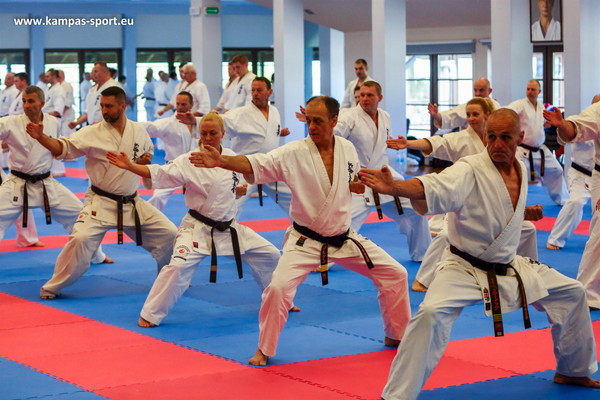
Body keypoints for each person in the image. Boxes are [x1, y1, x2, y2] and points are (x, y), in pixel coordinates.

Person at [360, 108, 600, 400]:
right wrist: (394, 186)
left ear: (520, 138)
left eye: (505, 138)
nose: (497, 144)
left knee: (572, 293)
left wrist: (525, 213)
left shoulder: (519, 167)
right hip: (463, 267)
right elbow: (433, 185)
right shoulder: (470, 168)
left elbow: (495, 206)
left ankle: (573, 370)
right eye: (492, 137)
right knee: (430, 314)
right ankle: (396, 395)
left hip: (507, 264)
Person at [190, 95, 411, 366]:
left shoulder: (347, 148)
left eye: (318, 121)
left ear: (334, 121)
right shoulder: (293, 153)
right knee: (277, 289)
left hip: (343, 237)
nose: (312, 126)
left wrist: (355, 185)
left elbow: (351, 179)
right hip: (305, 241)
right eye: (309, 120)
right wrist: (223, 161)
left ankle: (396, 334)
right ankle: (264, 348)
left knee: (396, 274)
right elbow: (256, 163)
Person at [107, 112, 281, 327]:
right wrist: (130, 166)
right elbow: (160, 172)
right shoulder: (190, 160)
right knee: (177, 267)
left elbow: (226, 187)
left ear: (223, 134)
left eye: (213, 133)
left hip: (229, 229)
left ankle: (278, 301)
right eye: (204, 133)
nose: (207, 138)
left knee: (270, 254)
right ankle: (150, 314)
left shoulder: (230, 157)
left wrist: (236, 191)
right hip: (197, 229)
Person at [27, 86, 177, 299]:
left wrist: (144, 162)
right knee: (80, 239)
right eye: (102, 106)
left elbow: (147, 155)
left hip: (131, 202)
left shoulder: (138, 130)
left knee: (170, 234)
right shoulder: (92, 132)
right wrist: (41, 138)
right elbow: (63, 148)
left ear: (122, 106)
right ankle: (52, 286)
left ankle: (168, 278)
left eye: (109, 106)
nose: (104, 111)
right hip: (100, 202)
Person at [390, 98, 538, 291]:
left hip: (493, 207)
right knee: (446, 235)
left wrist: (520, 211)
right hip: (463, 201)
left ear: (487, 115)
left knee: (527, 229)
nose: (471, 118)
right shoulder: (461, 139)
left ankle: (527, 272)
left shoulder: (503, 142)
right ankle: (423, 279)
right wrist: (408, 143)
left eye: (475, 114)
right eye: (468, 115)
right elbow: (436, 143)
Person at [0, 86, 112, 257]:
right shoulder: (9, 122)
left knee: (81, 216)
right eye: (24, 101)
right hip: (16, 184)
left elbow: (56, 149)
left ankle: (96, 256)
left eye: (31, 101)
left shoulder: (53, 122)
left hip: (46, 184)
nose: (26, 105)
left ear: (42, 103)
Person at [335, 81, 431, 262]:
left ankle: (423, 254)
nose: (364, 99)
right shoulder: (348, 117)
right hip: (360, 178)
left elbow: (379, 144)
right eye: (361, 95)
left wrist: (394, 143)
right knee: (345, 222)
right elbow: (334, 134)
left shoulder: (385, 116)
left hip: (384, 175)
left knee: (416, 209)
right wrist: (321, 123)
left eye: (369, 95)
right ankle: (323, 260)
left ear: (379, 97)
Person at [179, 77, 292, 220]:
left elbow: (267, 131)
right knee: (231, 206)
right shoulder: (241, 113)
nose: (255, 93)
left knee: (291, 199)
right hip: (244, 167)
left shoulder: (274, 111)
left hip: (268, 166)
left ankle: (304, 227)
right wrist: (195, 120)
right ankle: (219, 228)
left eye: (259, 90)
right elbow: (221, 120)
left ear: (269, 92)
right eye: (253, 90)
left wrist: (279, 132)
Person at [544, 93, 600, 309]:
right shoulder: (595, 112)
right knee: (579, 207)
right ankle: (588, 293)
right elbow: (573, 128)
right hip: (583, 174)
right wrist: (562, 124)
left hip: (591, 174)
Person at [546, 96, 599, 249]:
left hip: (597, 176)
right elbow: (563, 139)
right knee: (576, 201)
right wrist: (561, 125)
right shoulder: (581, 121)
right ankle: (555, 239)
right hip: (580, 174)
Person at [507, 79, 568, 205]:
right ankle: (513, 204)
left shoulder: (541, 107)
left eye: (533, 89)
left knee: (557, 170)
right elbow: (508, 111)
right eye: (528, 89)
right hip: (522, 150)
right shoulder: (520, 104)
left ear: (539, 91)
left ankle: (562, 199)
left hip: (539, 150)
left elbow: (539, 124)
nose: (530, 92)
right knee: (517, 176)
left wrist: (547, 124)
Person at [141, 91, 199, 210]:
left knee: (205, 197)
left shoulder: (198, 122)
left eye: (184, 104)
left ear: (191, 105)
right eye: (178, 104)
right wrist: (127, 125)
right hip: (174, 168)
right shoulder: (168, 123)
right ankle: (144, 219)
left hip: (195, 168)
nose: (180, 107)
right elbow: (150, 126)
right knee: (158, 196)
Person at [428, 77, 501, 131]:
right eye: (475, 90)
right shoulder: (470, 106)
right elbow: (452, 116)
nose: (477, 93)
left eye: (481, 90)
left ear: (489, 91)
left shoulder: (496, 105)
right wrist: (436, 115)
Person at [69, 62, 120, 129]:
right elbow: (89, 112)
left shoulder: (113, 86)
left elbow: (116, 111)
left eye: (96, 71)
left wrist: (101, 123)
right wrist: (77, 123)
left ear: (105, 72)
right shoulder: (93, 89)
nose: (93, 74)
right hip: (94, 127)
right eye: (92, 72)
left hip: (108, 127)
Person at [57, 70, 75, 136]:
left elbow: (68, 102)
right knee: (61, 134)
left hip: (67, 114)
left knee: (68, 134)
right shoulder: (58, 86)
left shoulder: (67, 85)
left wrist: (60, 114)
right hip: (61, 116)